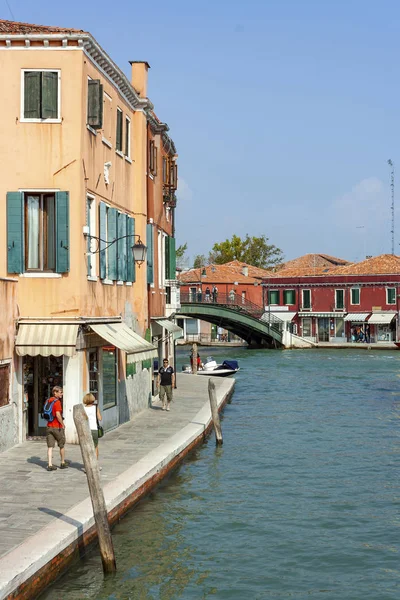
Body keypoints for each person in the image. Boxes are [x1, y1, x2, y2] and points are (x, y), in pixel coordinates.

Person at [45, 386, 68, 471]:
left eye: (62, 392)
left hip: (49, 426)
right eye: (60, 392)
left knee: (50, 447)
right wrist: (62, 424)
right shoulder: (57, 402)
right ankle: (62, 462)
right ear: (55, 392)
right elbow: (58, 415)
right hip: (57, 427)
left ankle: (50, 464)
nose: (61, 394)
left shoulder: (48, 400)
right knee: (61, 445)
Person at [83, 393, 102, 465]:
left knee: (87, 448)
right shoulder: (95, 407)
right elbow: (100, 418)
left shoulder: (83, 409)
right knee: (95, 447)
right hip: (94, 429)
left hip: (86, 430)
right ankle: (95, 464)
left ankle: (88, 465)